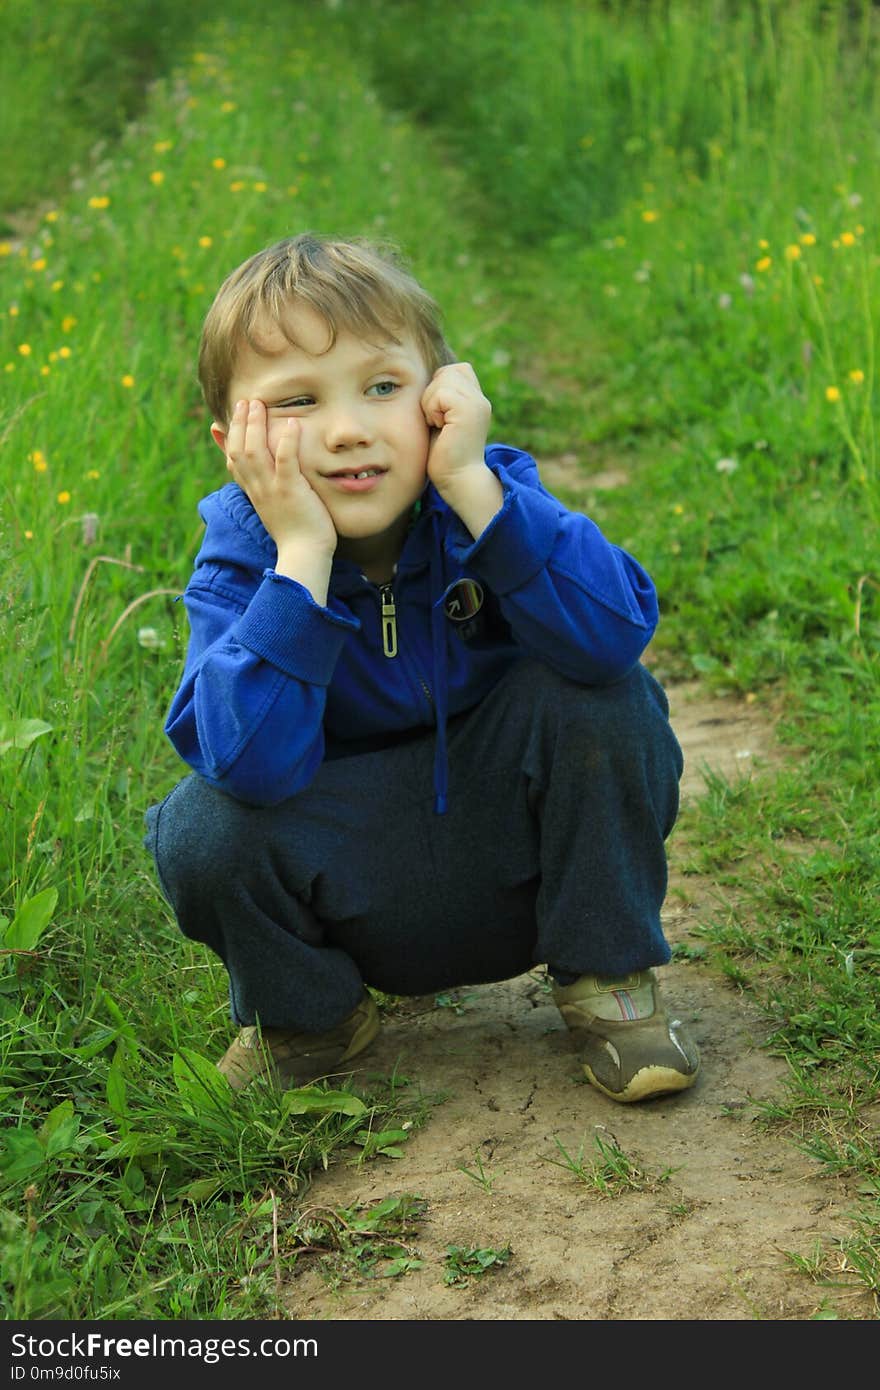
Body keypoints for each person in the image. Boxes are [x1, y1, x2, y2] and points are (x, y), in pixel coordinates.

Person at [144, 231, 700, 1105]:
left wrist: (476, 491)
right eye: (296, 401)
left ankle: (607, 977)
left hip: (514, 856)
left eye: (382, 387)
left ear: (441, 398)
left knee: (608, 702)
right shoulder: (244, 561)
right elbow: (247, 765)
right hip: (357, 885)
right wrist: (301, 558)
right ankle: (312, 1016)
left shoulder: (487, 494)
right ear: (235, 442)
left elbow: (612, 638)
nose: (347, 429)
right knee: (201, 825)